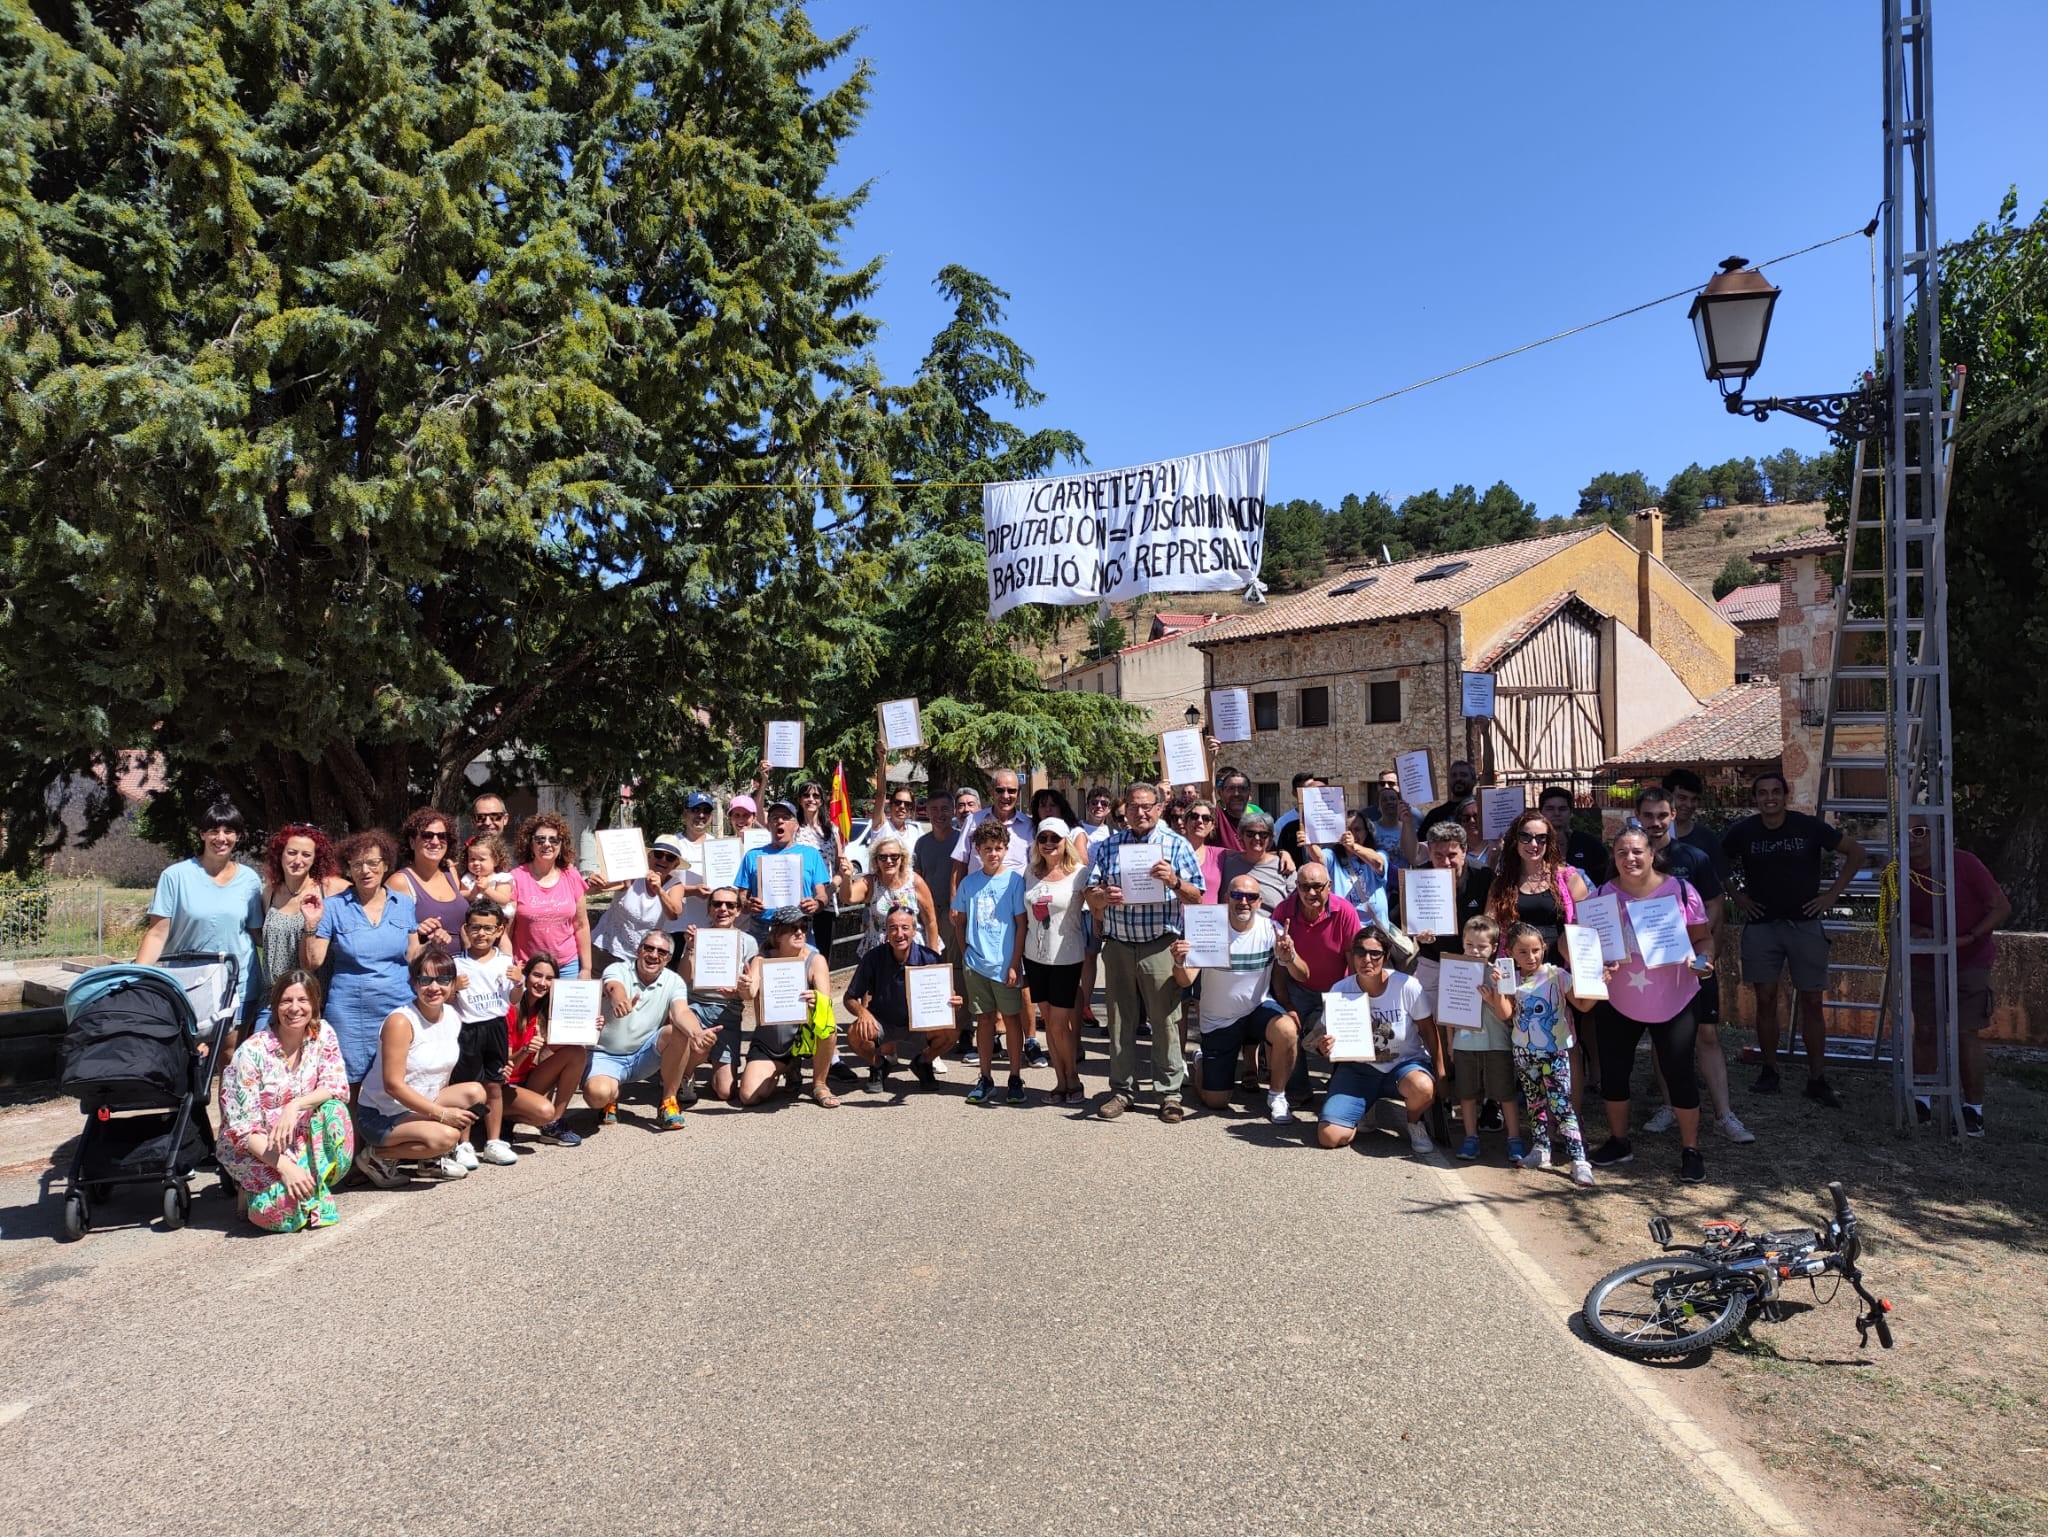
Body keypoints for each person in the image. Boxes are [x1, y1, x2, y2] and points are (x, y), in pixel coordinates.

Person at [1721, 770, 1867, 1104]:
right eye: (1762, 792)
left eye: (1775, 792)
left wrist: (1831, 896)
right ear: (1755, 798)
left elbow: (1856, 853)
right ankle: (1769, 1070)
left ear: (1784, 795)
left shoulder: (1808, 827)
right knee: (1766, 1000)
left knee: (1813, 1002)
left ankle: (1817, 1077)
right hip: (1762, 926)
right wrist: (1737, 897)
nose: (1769, 798)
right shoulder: (1743, 832)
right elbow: (1717, 860)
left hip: (1805, 924)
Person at [1588, 825, 1717, 1182]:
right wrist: (1592, 964)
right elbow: (1584, 947)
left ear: (1651, 853)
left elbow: (1703, 941)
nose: (1630, 859)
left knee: (1679, 1073)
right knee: (1615, 1074)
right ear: (1613, 858)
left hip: (1675, 998)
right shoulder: (1600, 897)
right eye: (1621, 853)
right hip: (1618, 1000)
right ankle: (1618, 1141)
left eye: (1637, 851)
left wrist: (1704, 963)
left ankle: (1691, 1150)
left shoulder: (1679, 891)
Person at [1634, 789, 1752, 1144]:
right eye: (1648, 816)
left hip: (1694, 964)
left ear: (1673, 816)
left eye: (1661, 815)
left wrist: (1706, 956)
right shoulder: (1632, 857)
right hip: (1654, 969)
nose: (1654, 823)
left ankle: (1724, 1115)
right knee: (1660, 1038)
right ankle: (1669, 1106)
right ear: (1637, 817)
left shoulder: (1694, 857)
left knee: (1708, 1035)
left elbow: (1715, 907)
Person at [1085, 781, 1204, 1122]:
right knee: (1120, 1021)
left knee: (1165, 1021)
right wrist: (1103, 897)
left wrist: (1174, 882)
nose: (1141, 812)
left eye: (1147, 806)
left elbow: (1198, 897)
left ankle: (1169, 1093)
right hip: (1119, 944)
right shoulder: (1109, 847)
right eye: (1135, 807)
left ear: (1159, 808)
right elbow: (1090, 895)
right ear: (1127, 810)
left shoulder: (1176, 846)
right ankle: (1122, 1091)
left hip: (1159, 944)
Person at [217, 971, 353, 1231]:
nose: (294, 1008)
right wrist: (286, 1168)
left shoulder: (322, 1033)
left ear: (314, 1003)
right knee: (282, 1216)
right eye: (285, 1001)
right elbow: (242, 1131)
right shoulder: (251, 1053)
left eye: (302, 1000)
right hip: (257, 1146)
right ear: (275, 1005)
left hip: (300, 1137)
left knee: (335, 1112)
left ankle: (314, 1181)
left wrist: (295, 1105)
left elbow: (337, 1085)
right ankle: (251, 1188)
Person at [352, 947, 488, 1188]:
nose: (434, 987)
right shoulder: (401, 1021)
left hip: (421, 1103)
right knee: (447, 1137)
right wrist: (442, 1116)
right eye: (425, 980)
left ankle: (430, 1163)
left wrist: (436, 1114)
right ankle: (376, 1157)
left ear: (453, 983)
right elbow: (393, 1085)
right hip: (383, 1114)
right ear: (414, 983)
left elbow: (442, 1073)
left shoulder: (452, 1016)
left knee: (475, 1092)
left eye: (443, 979)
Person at [1908, 825, 2009, 1136]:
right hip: (1925, 961)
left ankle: (1972, 1111)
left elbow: (2001, 907)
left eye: (1920, 831)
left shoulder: (1964, 863)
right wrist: (1916, 928)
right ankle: (1922, 1101)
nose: (1912, 839)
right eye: (1907, 832)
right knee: (1926, 1031)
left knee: (1966, 1033)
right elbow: (1891, 915)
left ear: (1937, 835)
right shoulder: (1898, 872)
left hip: (1970, 960)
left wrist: (1970, 937)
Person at [300, 830, 422, 1085]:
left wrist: (432, 943)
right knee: (350, 1083)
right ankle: (351, 1126)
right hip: (350, 1011)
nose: (365, 870)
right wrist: (311, 924)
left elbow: (413, 955)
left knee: (402, 1077)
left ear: (385, 865)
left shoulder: (404, 903)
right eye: (357, 864)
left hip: (398, 1005)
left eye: (372, 863)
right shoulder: (333, 906)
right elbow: (312, 963)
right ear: (349, 869)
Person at [1173, 872, 1297, 1122]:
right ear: (1226, 897)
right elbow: (1185, 980)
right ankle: (1201, 1062)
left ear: (1259, 901)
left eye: (1250, 896)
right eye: (1237, 895)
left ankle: (1277, 1096)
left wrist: (1289, 957)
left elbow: (1303, 974)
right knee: (1216, 1102)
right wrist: (1178, 963)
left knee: (1288, 1030)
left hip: (1256, 1010)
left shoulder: (1272, 928)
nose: (1243, 901)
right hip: (1219, 1021)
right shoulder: (1209, 926)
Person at [1310, 928, 1441, 1153]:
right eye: (1360, 952)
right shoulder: (1340, 990)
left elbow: (1429, 1031)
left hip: (1404, 1066)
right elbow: (1326, 1039)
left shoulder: (1407, 986)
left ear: (1386, 956)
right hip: (1358, 1070)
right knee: (1329, 1137)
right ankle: (1363, 1108)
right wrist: (1324, 1047)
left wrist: (1442, 1074)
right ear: (1352, 956)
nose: (1366, 959)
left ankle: (1414, 1122)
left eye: (1375, 954)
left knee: (1422, 1087)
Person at [136, 799, 265, 1025]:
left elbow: (256, 932)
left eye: (229, 831)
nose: (221, 838)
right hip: (188, 982)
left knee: (229, 1054)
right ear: (202, 835)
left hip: (237, 981)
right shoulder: (175, 877)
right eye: (214, 831)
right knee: (189, 1052)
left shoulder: (250, 879)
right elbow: (157, 934)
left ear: (238, 836)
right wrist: (136, 978)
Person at [1493, 920, 1598, 1186]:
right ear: (1511, 953)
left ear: (1544, 948)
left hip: (1555, 1053)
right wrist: (1498, 989)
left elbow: (1583, 1005)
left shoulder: (1557, 976)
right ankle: (1541, 1150)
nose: (1531, 957)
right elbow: (1505, 1014)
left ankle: (1578, 1160)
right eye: (1523, 952)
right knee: (1534, 1102)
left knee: (1562, 1105)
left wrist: (1599, 984)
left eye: (1536, 950)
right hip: (1524, 1052)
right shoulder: (1511, 979)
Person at [583, 930, 712, 1131]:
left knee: (678, 1032)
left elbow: (681, 1012)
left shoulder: (673, 980)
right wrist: (619, 999)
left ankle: (668, 1103)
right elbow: (613, 986)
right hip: (605, 1055)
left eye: (661, 952)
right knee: (596, 1095)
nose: (654, 955)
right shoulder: (618, 969)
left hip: (643, 1054)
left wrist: (697, 1033)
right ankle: (611, 1096)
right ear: (638, 949)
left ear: (668, 959)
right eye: (649, 948)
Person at [954, 818, 1030, 1106]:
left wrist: (1014, 962)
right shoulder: (969, 883)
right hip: (977, 963)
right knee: (984, 1020)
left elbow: (1021, 925)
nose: (993, 853)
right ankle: (985, 1077)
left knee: (1011, 1019)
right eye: (987, 848)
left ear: (1006, 849)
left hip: (1004, 963)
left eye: (998, 848)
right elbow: (960, 921)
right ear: (977, 851)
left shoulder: (1013, 881)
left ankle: (1014, 1076)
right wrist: (966, 954)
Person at [844, 907, 959, 1093]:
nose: (899, 934)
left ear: (914, 931)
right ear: (886, 932)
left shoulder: (930, 958)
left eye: (905, 928)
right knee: (855, 1033)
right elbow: (849, 997)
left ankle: (924, 1062)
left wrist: (953, 1004)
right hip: (883, 1022)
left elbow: (946, 997)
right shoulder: (873, 958)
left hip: (920, 1025)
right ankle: (879, 1065)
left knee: (952, 1031)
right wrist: (862, 1012)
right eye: (893, 928)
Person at [734, 908, 836, 1108]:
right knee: (748, 1097)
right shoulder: (762, 959)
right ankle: (787, 1067)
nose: (800, 932)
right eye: (793, 928)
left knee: (828, 1029)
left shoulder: (815, 959)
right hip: (769, 1042)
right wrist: (744, 987)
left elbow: (827, 1003)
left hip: (803, 1038)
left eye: (803, 927)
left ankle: (819, 1084)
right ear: (778, 933)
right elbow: (750, 993)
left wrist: (816, 998)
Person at [1021, 818, 1090, 1102]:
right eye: (1043, 838)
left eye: (1055, 838)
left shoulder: (1080, 874)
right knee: (1049, 1021)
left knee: (1060, 1023)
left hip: (1066, 956)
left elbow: (1094, 909)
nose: (1049, 843)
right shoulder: (1030, 872)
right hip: (1034, 957)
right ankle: (1060, 1080)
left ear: (1066, 842)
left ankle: (1074, 1079)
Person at [448, 899, 520, 1166]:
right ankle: (464, 1144)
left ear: (499, 931)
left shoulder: (505, 961)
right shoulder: (457, 963)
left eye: (488, 929)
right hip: (467, 1030)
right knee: (466, 1087)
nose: (482, 934)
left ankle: (493, 1141)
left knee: (495, 1084)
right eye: (476, 927)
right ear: (466, 929)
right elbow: (445, 999)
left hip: (496, 1027)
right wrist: (453, 987)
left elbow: (513, 999)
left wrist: (518, 983)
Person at [1270, 864, 1364, 1066]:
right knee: (1289, 1030)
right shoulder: (1283, 911)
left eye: (1317, 886)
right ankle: (1297, 1092)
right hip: (1297, 987)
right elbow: (1278, 964)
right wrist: (1286, 1004)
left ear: (1329, 886)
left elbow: (1353, 961)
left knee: (1343, 1034)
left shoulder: (1345, 911)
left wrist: (1351, 1002)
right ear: (1296, 886)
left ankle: (1340, 1082)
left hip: (1337, 987)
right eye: (1304, 887)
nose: (1311, 893)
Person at [1449, 914, 1521, 1163]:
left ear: (1493, 948)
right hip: (1464, 1044)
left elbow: (1506, 1015)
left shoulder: (1500, 974)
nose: (1475, 951)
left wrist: (1492, 997)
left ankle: (1514, 1138)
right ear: (1463, 943)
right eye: (1470, 945)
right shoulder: (1454, 970)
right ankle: (1471, 1138)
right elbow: (1448, 1013)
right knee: (1467, 1094)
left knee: (1505, 1093)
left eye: (1482, 947)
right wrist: (1450, 1043)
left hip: (1496, 1044)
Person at [678, 885, 760, 1103]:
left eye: (730, 905)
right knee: (700, 1044)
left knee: (725, 1092)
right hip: (696, 1006)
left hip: (728, 1012)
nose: (723, 909)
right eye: (717, 904)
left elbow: (749, 992)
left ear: (739, 910)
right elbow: (683, 978)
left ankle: (691, 1064)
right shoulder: (698, 937)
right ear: (709, 909)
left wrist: (740, 989)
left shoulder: (748, 942)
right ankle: (683, 1075)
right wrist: (691, 948)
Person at [257, 824, 345, 1015]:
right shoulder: (269, 893)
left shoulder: (330, 889)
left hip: (312, 1001)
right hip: (273, 1000)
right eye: (292, 852)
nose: (298, 860)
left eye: (306, 855)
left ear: (315, 859)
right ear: (280, 854)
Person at [499, 954, 587, 1145]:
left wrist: (591, 1028)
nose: (542, 983)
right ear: (525, 976)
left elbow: (561, 1047)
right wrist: (525, 1050)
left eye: (549, 978)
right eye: (537, 975)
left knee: (577, 1053)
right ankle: (503, 1118)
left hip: (527, 1080)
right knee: (543, 1111)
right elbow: (506, 1068)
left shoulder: (544, 1011)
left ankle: (554, 1124)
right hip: (503, 1085)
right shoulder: (509, 1008)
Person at [589, 833, 689, 975]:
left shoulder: (675, 886)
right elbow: (595, 889)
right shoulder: (632, 874)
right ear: (649, 857)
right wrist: (593, 880)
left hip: (640, 960)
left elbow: (674, 913)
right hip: (606, 950)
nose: (663, 860)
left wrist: (659, 890)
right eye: (659, 854)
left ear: (675, 864)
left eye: (670, 857)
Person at [508, 812, 592, 978]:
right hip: (527, 967)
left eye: (553, 840)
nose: (547, 844)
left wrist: (586, 968)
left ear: (561, 845)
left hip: (567, 966)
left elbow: (581, 925)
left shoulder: (572, 876)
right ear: (530, 843)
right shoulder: (516, 877)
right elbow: (507, 929)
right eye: (540, 839)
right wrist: (507, 964)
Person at [735, 799, 833, 939]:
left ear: (796, 826)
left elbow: (822, 894)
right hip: (763, 930)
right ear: (768, 826)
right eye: (775, 818)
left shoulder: (811, 854)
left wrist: (816, 904)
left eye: (786, 818)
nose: (780, 821)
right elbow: (741, 896)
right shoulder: (752, 856)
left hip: (799, 928)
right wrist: (748, 904)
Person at [837, 834, 941, 955]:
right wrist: (847, 878)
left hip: (912, 950)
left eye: (894, 856)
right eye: (883, 857)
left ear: (902, 858)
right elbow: (847, 898)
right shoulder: (870, 882)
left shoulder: (915, 882)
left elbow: (930, 921)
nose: (889, 861)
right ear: (876, 860)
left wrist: (933, 955)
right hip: (880, 951)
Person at [386, 807, 468, 954]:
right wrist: (416, 929)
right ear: (412, 842)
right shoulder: (400, 882)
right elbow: (386, 932)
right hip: (426, 972)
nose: (436, 841)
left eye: (442, 836)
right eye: (427, 835)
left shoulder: (451, 873)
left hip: (462, 968)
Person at [1410, 822, 1495, 961]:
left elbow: (1490, 923)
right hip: (1433, 958)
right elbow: (1409, 923)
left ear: (1464, 851)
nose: (1446, 862)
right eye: (1438, 855)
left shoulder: (1483, 876)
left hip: (1475, 958)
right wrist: (1420, 933)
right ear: (1429, 852)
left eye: (1451, 855)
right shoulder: (1418, 879)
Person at [949, 769, 1031, 891]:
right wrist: (955, 905)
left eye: (1012, 791)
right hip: (977, 900)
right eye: (1000, 790)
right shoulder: (973, 821)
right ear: (991, 791)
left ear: (1018, 793)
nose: (1006, 796)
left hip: (1015, 904)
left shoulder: (1029, 825)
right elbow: (959, 865)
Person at [1308, 809, 1390, 930]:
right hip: (1346, 930)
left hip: (1376, 931)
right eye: (1347, 830)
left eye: (1357, 830)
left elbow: (1378, 863)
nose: (1351, 835)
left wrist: (1353, 847)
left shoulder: (1379, 853)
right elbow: (1319, 858)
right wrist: (1309, 840)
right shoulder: (1333, 856)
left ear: (1366, 833)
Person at [1538, 784, 1611, 889]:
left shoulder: (1590, 845)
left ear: (1571, 813)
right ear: (1541, 812)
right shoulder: (1532, 846)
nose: (1557, 813)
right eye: (1550, 809)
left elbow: (1604, 884)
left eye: (1562, 809)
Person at [1220, 811, 1296, 911]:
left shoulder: (1283, 865)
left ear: (1270, 838)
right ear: (1241, 836)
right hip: (1237, 924)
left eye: (1263, 834)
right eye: (1250, 833)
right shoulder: (1229, 865)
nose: (1257, 838)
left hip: (1273, 924)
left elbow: (1296, 902)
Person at [458, 832, 517, 949]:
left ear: (495, 861)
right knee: (466, 937)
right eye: (472, 859)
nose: (476, 863)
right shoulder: (468, 879)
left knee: (503, 941)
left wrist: (487, 889)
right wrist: (473, 892)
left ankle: (507, 962)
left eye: (482, 859)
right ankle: (468, 958)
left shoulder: (501, 878)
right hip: (475, 921)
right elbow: (461, 895)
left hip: (497, 921)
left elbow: (504, 899)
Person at [1364, 772, 1421, 887]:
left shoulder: (1408, 829)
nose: (1389, 802)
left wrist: (1407, 822)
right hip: (1376, 884)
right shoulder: (1370, 830)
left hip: (1402, 884)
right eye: (1384, 800)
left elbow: (1413, 857)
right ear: (1379, 807)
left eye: (1393, 799)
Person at [1273, 772, 1328, 865]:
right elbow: (1278, 852)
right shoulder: (1285, 826)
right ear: (1296, 793)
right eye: (1307, 792)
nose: (1317, 797)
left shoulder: (1337, 824)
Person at [1422, 759, 1480, 835]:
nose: (1458, 778)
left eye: (1463, 775)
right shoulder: (1435, 815)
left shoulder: (1483, 810)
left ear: (1474, 781)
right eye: (1454, 775)